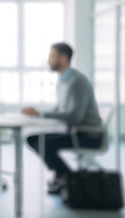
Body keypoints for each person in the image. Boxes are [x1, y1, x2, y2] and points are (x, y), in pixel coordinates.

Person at [21, 43, 102, 195]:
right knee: (33, 139)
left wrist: (41, 115)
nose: (48, 61)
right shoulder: (64, 80)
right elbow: (59, 110)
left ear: (63, 58)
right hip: (75, 132)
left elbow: (74, 116)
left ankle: (69, 178)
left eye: (52, 57)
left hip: (88, 135)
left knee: (41, 142)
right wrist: (39, 113)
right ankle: (62, 176)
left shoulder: (76, 81)